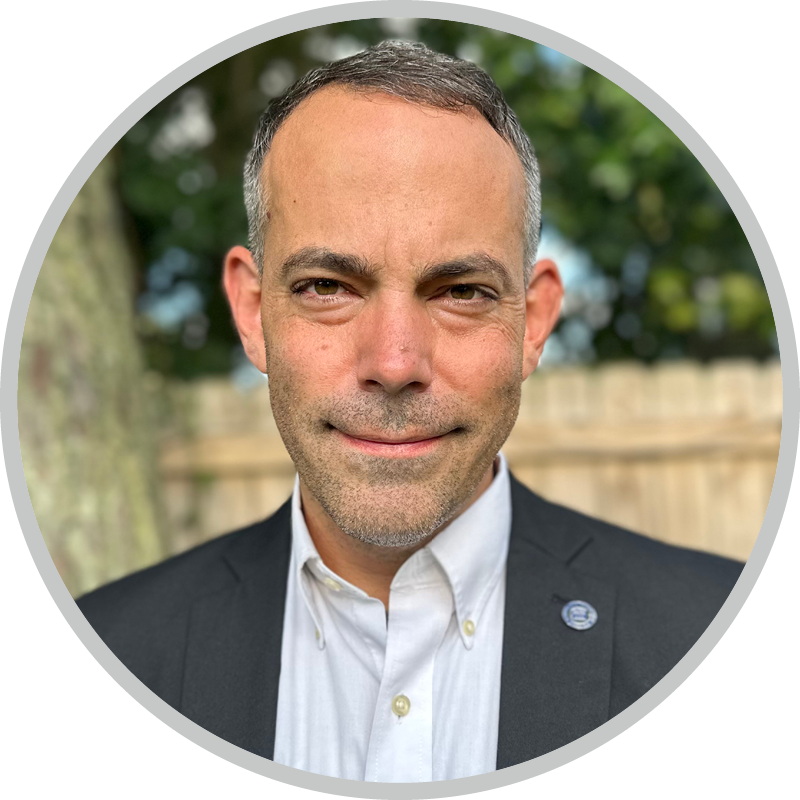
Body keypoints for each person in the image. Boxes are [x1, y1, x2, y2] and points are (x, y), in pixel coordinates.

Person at [77, 41, 744, 782]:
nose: (394, 364)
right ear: (250, 310)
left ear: (534, 322)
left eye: (461, 292)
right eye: (327, 286)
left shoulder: (733, 646)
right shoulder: (92, 662)